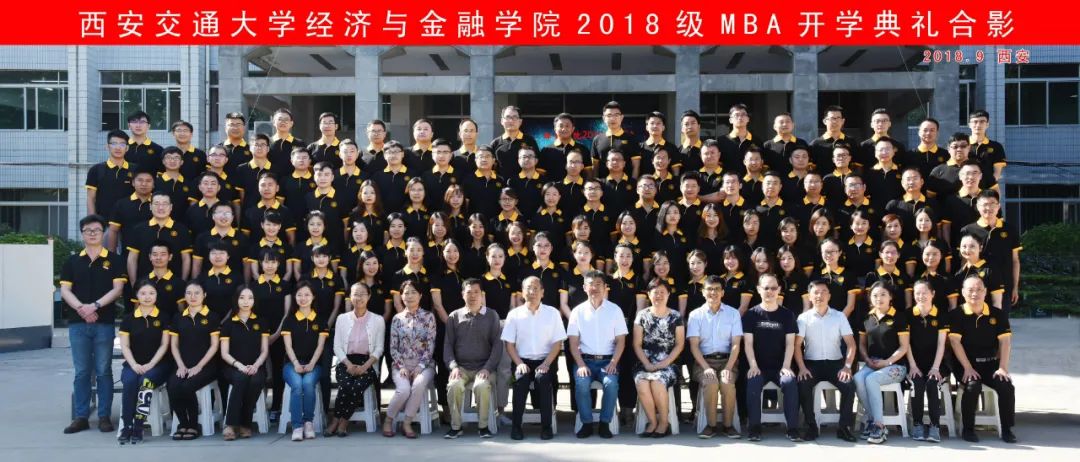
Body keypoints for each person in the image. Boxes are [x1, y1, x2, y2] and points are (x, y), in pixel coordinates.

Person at [61, 214, 127, 434]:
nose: (92, 234)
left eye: (97, 230)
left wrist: (95, 306)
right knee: (82, 371)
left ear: (103, 233)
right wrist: (82, 308)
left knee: (103, 371)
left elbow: (118, 289)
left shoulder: (115, 260)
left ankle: (104, 416)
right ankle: (81, 417)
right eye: (88, 230)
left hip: (104, 323)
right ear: (82, 234)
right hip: (77, 324)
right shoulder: (72, 261)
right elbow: (65, 291)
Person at [949, 275, 1018, 443]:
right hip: (965, 363)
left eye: (979, 289)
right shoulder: (956, 314)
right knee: (972, 385)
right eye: (971, 290)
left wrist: (1003, 367)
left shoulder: (998, 314)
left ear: (985, 292)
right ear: (963, 292)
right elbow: (955, 342)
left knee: (1006, 386)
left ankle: (1007, 429)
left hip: (990, 363)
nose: (975, 293)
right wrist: (967, 368)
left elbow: (1005, 342)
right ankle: (968, 429)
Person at [502, 276, 566, 440]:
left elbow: (557, 343)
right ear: (522, 292)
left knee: (543, 379)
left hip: (546, 360)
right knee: (520, 379)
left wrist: (546, 363)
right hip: (521, 360)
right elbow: (509, 345)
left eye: (536, 288)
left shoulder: (552, 313)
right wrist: (519, 363)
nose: (532, 292)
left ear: (542, 292)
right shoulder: (514, 315)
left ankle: (546, 427)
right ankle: (516, 427)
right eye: (528, 288)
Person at [795, 279, 858, 442]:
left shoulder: (839, 316)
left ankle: (843, 428)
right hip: (812, 364)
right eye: (816, 292)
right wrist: (802, 367)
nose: (820, 295)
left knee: (849, 385)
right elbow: (796, 346)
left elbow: (851, 344)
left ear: (829, 296)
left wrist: (847, 366)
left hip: (835, 364)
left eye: (823, 292)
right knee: (803, 384)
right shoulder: (803, 318)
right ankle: (811, 426)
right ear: (809, 296)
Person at [567, 271, 628, 439]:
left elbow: (621, 341)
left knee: (611, 384)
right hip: (585, 360)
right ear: (584, 287)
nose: (594, 288)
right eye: (591, 284)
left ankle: (604, 423)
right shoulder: (577, 311)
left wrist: (613, 362)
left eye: (598, 284)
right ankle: (586, 423)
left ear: (605, 287)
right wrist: (581, 365)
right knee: (581, 384)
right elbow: (573, 343)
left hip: (608, 361)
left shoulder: (614, 310)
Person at [743, 273, 801, 442]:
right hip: (758, 366)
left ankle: (792, 428)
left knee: (789, 382)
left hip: (780, 367)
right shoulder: (751, 315)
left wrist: (786, 366)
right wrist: (753, 366)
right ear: (759, 290)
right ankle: (754, 427)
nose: (770, 291)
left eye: (773, 288)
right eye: (766, 288)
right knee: (753, 382)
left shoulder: (787, 315)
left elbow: (790, 344)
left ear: (779, 290)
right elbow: (748, 344)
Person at [443, 279, 503, 438]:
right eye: (468, 292)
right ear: (462, 295)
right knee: (454, 385)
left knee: (481, 386)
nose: (473, 296)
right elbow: (448, 345)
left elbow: (497, 346)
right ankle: (456, 426)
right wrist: (453, 366)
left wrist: (487, 368)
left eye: (476, 292)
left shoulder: (491, 315)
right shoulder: (454, 316)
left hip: (484, 367)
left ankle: (483, 426)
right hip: (461, 368)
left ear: (482, 295)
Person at [852, 282, 911, 444]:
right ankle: (873, 420)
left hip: (896, 365)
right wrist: (866, 359)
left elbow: (904, 347)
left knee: (872, 379)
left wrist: (887, 362)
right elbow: (862, 344)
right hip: (872, 363)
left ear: (890, 297)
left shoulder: (899, 317)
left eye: (883, 294)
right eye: (875, 295)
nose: (879, 298)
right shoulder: (867, 318)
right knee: (858, 378)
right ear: (870, 298)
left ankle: (879, 425)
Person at [326, 282, 386, 437]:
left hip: (368, 363)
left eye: (362, 294)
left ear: (369, 296)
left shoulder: (378, 320)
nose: (359, 298)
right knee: (346, 384)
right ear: (350, 297)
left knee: (356, 386)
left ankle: (341, 421)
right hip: (346, 362)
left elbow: (379, 348)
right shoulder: (342, 318)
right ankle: (337, 420)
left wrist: (364, 367)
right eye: (355, 294)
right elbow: (337, 347)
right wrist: (348, 364)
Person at [687, 275, 742, 439]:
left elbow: (736, 344)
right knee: (710, 383)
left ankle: (728, 426)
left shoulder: (733, 314)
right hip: (703, 362)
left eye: (717, 289)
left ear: (723, 292)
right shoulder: (695, 315)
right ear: (703, 292)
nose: (713, 292)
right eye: (710, 289)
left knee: (727, 383)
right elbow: (694, 346)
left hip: (728, 361)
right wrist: (706, 368)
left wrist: (728, 368)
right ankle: (710, 425)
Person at [117, 280, 172, 444]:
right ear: (137, 296)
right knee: (129, 382)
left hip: (158, 365)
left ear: (156, 295)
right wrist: (134, 364)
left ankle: (139, 426)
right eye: (143, 293)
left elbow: (164, 345)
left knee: (145, 382)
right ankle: (127, 425)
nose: (147, 297)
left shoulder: (164, 317)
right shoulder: (128, 319)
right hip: (133, 364)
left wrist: (151, 364)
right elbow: (125, 346)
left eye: (151, 293)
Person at [167, 281, 222, 440]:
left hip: (206, 366)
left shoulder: (212, 316)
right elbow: (174, 345)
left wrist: (199, 366)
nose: (193, 296)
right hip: (183, 365)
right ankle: (183, 424)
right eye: (189, 293)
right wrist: (180, 365)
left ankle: (193, 425)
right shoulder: (178, 317)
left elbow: (214, 346)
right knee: (173, 386)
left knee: (187, 387)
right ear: (184, 296)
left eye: (197, 293)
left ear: (204, 295)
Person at [632, 279, 685, 438]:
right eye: (655, 292)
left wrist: (664, 363)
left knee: (657, 382)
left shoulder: (676, 316)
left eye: (663, 292)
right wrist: (647, 364)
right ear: (649, 294)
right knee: (641, 382)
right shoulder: (642, 315)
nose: (659, 295)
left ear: (668, 294)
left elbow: (680, 344)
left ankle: (664, 422)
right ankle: (652, 422)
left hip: (669, 363)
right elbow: (637, 344)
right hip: (645, 362)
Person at [384, 280, 437, 438]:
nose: (410, 296)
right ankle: (388, 420)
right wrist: (401, 366)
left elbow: (430, 344)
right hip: (401, 365)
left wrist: (421, 365)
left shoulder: (429, 317)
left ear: (420, 295)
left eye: (414, 292)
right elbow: (393, 347)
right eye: (406, 293)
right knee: (404, 390)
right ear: (401, 296)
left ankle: (407, 422)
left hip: (424, 365)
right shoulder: (397, 319)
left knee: (418, 384)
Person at [219, 285, 269, 440]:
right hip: (233, 367)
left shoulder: (261, 322)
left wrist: (256, 365)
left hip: (256, 366)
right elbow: (224, 353)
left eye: (250, 298)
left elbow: (264, 350)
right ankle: (231, 424)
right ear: (236, 300)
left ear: (255, 301)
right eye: (242, 298)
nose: (246, 302)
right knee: (241, 378)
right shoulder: (228, 324)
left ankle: (245, 424)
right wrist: (239, 366)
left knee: (256, 381)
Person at [906, 280, 949, 443]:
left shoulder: (941, 315)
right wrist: (913, 366)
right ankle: (917, 424)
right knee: (917, 383)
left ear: (933, 294)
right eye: (917, 293)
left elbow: (941, 344)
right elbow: (906, 344)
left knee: (932, 383)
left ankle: (934, 426)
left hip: (937, 363)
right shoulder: (908, 315)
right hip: (914, 363)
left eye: (924, 292)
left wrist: (936, 368)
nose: (921, 296)